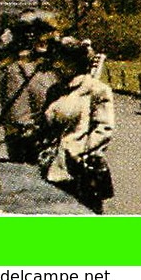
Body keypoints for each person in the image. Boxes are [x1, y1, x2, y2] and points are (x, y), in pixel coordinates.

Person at [39, 37, 115, 214]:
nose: (55, 65)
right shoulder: (55, 90)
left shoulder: (95, 89)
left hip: (79, 170)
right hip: (50, 166)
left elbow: (104, 128)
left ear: (75, 62)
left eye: (60, 60)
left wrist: (81, 152)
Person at [0, 12, 58, 164]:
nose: (45, 40)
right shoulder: (14, 69)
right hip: (28, 141)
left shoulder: (51, 66)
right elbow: (18, 114)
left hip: (51, 140)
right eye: (40, 34)